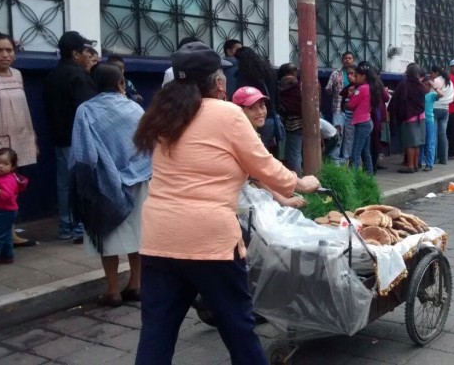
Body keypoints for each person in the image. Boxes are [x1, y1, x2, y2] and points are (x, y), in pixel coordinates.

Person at [133, 42, 320, 364]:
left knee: (157, 331)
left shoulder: (162, 114)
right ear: (219, 82)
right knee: (238, 328)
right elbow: (263, 165)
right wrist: (300, 182)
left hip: (158, 238)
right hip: (210, 241)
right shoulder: (226, 113)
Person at [68, 64, 151, 306]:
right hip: (137, 180)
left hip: (103, 184)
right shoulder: (134, 108)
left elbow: (82, 151)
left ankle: (113, 290)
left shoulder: (85, 110)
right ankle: (136, 284)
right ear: (120, 84)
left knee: (107, 237)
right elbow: (147, 144)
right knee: (137, 236)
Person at [43, 31, 97, 243]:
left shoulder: (51, 76)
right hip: (78, 139)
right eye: (85, 51)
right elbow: (88, 109)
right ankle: (79, 227)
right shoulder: (80, 76)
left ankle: (66, 225)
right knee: (80, 182)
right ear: (75, 54)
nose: (88, 55)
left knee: (64, 183)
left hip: (59, 136)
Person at [0, 33, 38, 247]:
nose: (5, 54)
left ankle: (10, 235)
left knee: (12, 188)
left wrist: (33, 138)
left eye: (9, 50)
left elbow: (24, 109)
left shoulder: (18, 75)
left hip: (19, 139)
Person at [232, 86, 306, 209]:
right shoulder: (243, 138)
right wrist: (283, 199)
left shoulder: (253, 134)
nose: (260, 112)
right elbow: (257, 177)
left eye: (262, 106)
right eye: (252, 108)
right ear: (239, 111)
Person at [235, 47, 282, 155]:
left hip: (253, 119)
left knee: (257, 154)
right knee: (267, 153)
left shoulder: (244, 75)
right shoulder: (269, 72)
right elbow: (277, 95)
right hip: (270, 117)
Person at [347, 63, 387, 175]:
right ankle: (369, 175)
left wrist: (351, 95)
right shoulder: (371, 87)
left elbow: (350, 105)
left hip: (361, 123)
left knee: (355, 151)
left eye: (357, 75)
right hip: (367, 121)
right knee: (365, 152)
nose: (355, 78)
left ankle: (354, 177)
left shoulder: (362, 89)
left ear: (363, 76)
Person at [0, 148, 27, 265]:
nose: (0, 166)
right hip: (0, 210)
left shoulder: (9, 180)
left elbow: (7, 197)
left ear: (12, 167)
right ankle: (7, 256)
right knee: (5, 233)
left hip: (5, 212)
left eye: (5, 164)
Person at [277, 63, 303, 176]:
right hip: (304, 122)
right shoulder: (299, 86)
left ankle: (296, 178)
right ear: (293, 73)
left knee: (293, 152)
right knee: (298, 152)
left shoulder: (279, 86)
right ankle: (301, 177)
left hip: (291, 123)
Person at [325, 51, 355, 131]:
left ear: (353, 60)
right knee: (338, 133)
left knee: (350, 135)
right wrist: (334, 84)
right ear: (342, 60)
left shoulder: (357, 73)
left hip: (353, 109)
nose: (347, 60)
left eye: (349, 58)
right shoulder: (336, 73)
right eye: (345, 58)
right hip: (338, 108)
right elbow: (327, 91)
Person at [430, 65, 454, 164]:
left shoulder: (436, 81)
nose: (431, 75)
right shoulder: (450, 82)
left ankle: (434, 158)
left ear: (436, 73)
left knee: (434, 134)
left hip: (435, 108)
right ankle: (444, 158)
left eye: (432, 73)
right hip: (445, 109)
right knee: (443, 134)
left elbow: (431, 95)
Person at [418, 76, 440, 171]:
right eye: (425, 84)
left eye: (428, 85)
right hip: (421, 120)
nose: (427, 86)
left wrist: (434, 87)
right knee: (421, 143)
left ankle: (429, 164)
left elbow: (441, 94)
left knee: (430, 143)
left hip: (429, 121)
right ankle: (419, 162)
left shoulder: (431, 95)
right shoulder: (420, 94)